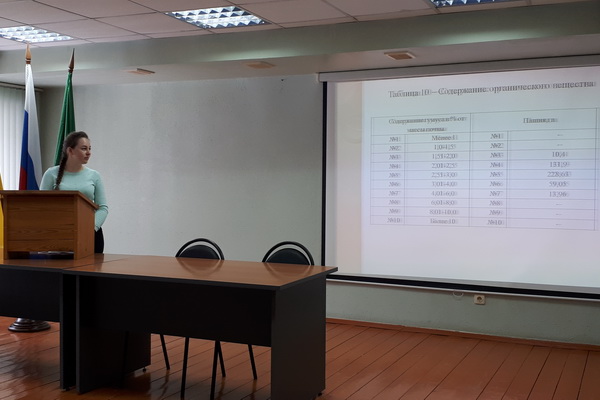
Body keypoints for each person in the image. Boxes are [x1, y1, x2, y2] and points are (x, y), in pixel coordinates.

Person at [40, 131, 108, 253]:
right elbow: (42, 207)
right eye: (84, 149)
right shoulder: (51, 174)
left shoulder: (94, 175)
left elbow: (102, 208)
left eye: (90, 148)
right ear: (70, 151)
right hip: (59, 234)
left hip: (90, 234)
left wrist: (91, 228)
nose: (88, 153)